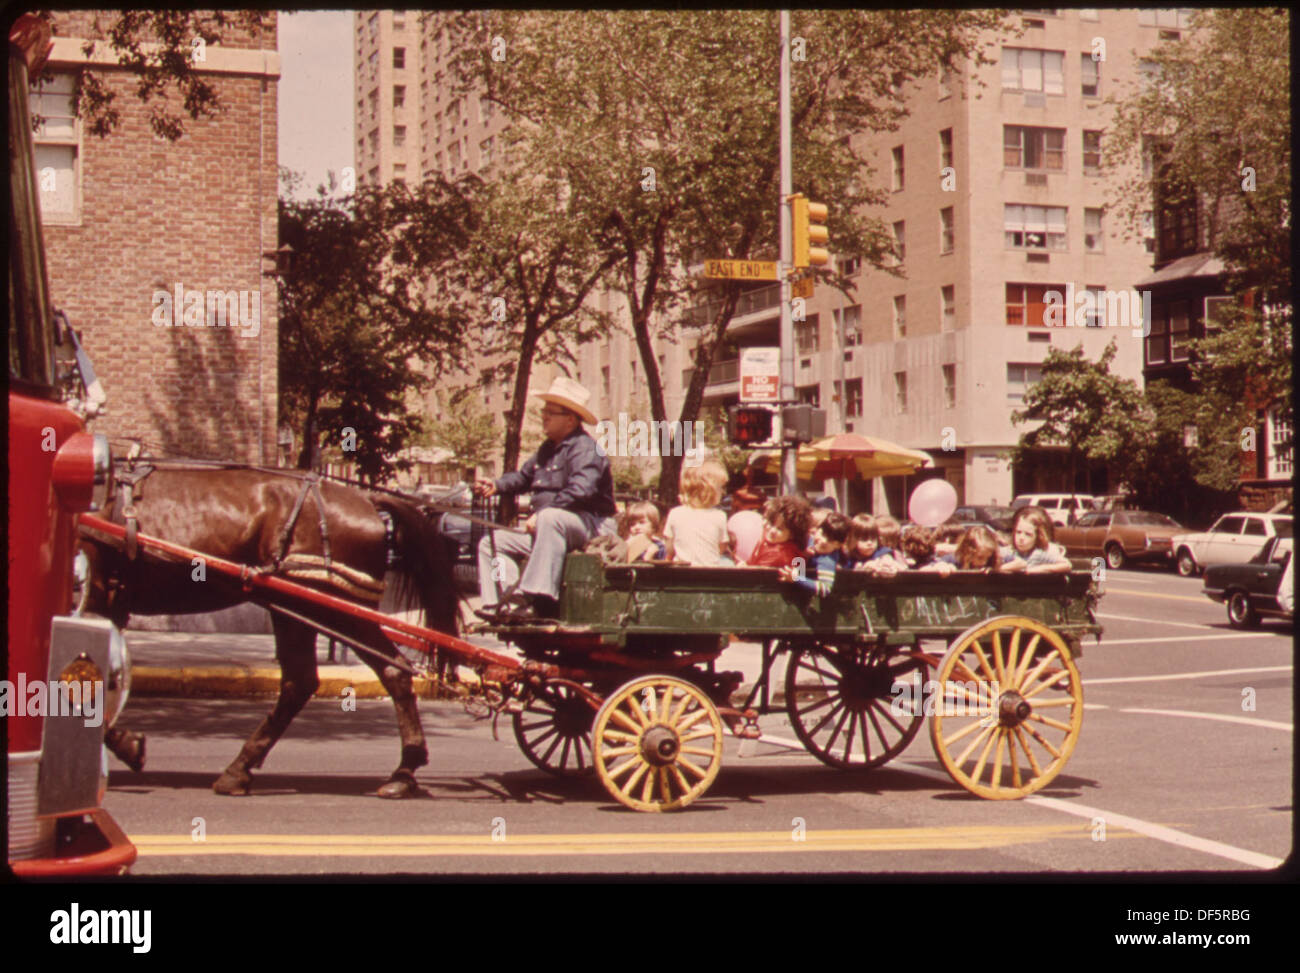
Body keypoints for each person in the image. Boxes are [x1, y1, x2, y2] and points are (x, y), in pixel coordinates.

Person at [475, 376, 617, 621]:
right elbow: (522, 477)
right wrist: (496, 485)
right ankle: (504, 602)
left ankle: (535, 599)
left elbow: (581, 490)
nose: (544, 416)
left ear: (571, 419)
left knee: (550, 518)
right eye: (544, 411)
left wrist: (541, 514)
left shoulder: (586, 449)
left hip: (590, 527)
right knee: (492, 543)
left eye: (550, 412)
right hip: (551, 529)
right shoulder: (547, 449)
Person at [663, 461, 731, 565]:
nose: (723, 492)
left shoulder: (675, 513)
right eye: (721, 488)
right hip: (710, 571)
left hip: (682, 571)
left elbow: (669, 548)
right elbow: (722, 545)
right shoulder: (719, 516)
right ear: (710, 490)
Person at [780, 511, 849, 595]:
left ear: (838, 545)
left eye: (830, 540)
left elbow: (825, 588)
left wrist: (797, 578)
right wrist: (803, 556)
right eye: (822, 534)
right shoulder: (809, 541)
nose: (823, 541)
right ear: (817, 529)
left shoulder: (827, 560)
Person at [745, 495, 812, 568]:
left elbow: (755, 576)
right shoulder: (771, 543)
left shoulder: (778, 554)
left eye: (780, 529)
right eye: (771, 523)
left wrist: (744, 569)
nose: (772, 531)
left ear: (792, 534)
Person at [1002, 506, 1071, 574]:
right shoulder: (1011, 551)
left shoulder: (1039, 553)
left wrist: (1038, 569)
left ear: (1037, 537)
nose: (1021, 538)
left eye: (1028, 534)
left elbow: (1067, 565)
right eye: (1018, 532)